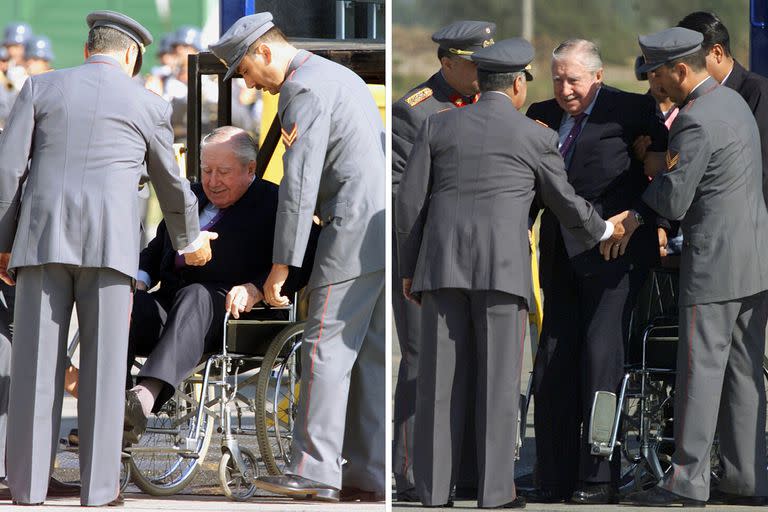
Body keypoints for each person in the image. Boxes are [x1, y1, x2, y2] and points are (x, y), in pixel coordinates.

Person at [397, 37, 625, 509]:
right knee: (498, 384)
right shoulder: (536, 136)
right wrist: (603, 227)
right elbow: (564, 204)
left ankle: (435, 492)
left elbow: (410, 204)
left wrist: (409, 269)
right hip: (502, 274)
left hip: (440, 270)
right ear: (519, 84)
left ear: (480, 82)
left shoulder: (437, 127)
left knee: (440, 386)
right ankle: (495, 492)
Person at [0, 10, 215, 506]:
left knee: (35, 367)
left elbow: (8, 171)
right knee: (104, 368)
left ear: (86, 50)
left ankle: (28, 489)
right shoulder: (149, 103)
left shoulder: (38, 88)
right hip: (111, 248)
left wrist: (4, 242)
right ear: (133, 55)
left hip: (42, 242)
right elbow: (172, 183)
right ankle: (99, 492)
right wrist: (190, 242)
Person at [210, 11, 385, 503]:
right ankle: (367, 473)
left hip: (347, 229)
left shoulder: (301, 89)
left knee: (322, 346)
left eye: (245, 70)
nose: (250, 85)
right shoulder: (337, 76)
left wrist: (281, 265)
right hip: (373, 229)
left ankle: (313, 470)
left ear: (265, 51)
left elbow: (300, 182)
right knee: (365, 354)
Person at [622, 27, 768, 508]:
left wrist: (645, 190)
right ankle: (746, 480)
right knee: (744, 374)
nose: (653, 83)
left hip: (713, 265)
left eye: (658, 74)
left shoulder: (696, 119)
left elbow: (676, 197)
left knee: (699, 371)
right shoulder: (735, 103)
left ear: (681, 70)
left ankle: (685, 481)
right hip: (753, 259)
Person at [524, 39, 668, 505]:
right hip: (558, 257)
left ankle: (599, 472)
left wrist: (643, 221)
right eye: (558, 79)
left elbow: (663, 174)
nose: (566, 90)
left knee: (600, 359)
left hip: (612, 258)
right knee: (553, 361)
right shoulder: (541, 114)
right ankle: (552, 472)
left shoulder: (631, 111)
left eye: (575, 80)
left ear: (598, 77)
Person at [123, 126, 316, 439]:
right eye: (207, 170)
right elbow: (156, 249)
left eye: (223, 172)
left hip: (231, 314)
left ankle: (142, 399)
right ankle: (109, 403)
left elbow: (303, 257)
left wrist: (256, 287)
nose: (213, 181)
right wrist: (141, 281)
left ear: (249, 169)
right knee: (125, 304)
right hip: (171, 304)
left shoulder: (274, 202)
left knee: (197, 295)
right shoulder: (191, 196)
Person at [391, 19, 495, 502]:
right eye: (474, 64)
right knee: (421, 361)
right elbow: (401, 195)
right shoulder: (416, 112)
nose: (482, 72)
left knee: (478, 362)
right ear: (447, 63)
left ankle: (469, 471)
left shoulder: (491, 104)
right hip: (427, 257)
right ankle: (412, 473)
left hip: (482, 257)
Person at [678, 11, 768, 207]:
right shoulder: (692, 97)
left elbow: (761, 168)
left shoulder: (756, 92)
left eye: (693, 61)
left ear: (717, 53)